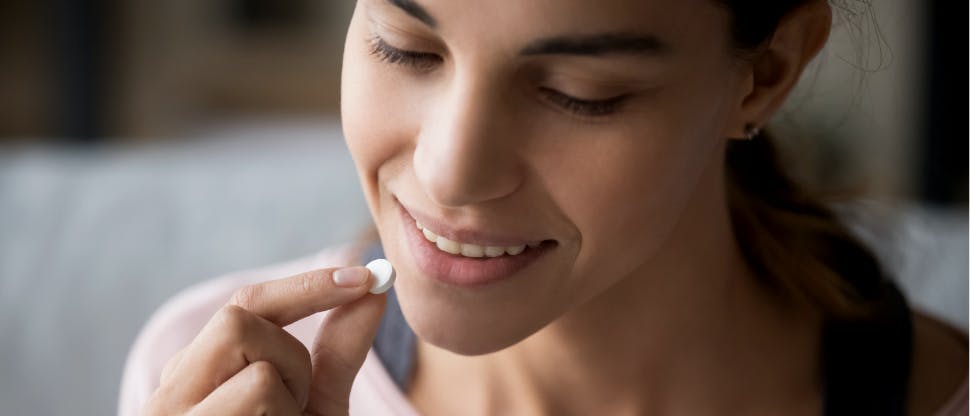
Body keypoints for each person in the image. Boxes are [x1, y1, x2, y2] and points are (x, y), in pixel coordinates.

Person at [120, 0, 968, 414]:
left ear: (767, 72)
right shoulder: (212, 378)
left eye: (578, 92)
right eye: (403, 47)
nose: (451, 173)